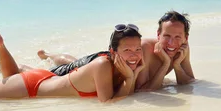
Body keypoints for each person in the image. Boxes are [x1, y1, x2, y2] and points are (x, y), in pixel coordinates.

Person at [0, 8, 144, 102]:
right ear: (112, 51)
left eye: (137, 49)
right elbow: (109, 105)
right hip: (32, 87)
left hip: (44, 78)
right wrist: (131, 77)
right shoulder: (103, 65)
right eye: (127, 50)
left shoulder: (119, 67)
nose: (134, 55)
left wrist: (131, 76)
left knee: (11, 76)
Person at [19, 10, 195, 92]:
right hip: (100, 65)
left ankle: (49, 55)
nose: (172, 42)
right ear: (158, 34)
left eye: (178, 37)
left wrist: (177, 65)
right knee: (55, 75)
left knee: (74, 62)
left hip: (102, 71)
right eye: (167, 36)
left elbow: (188, 82)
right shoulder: (144, 50)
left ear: (185, 37)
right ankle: (22, 67)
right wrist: (165, 63)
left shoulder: (181, 50)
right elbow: (143, 90)